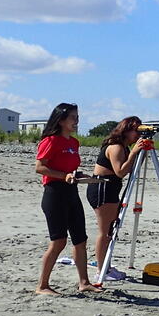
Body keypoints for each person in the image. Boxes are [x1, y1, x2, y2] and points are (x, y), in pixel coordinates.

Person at [33, 103, 100, 295]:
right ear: (61, 120)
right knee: (59, 241)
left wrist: (79, 175)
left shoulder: (74, 142)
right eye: (73, 117)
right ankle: (42, 285)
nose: (76, 120)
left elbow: (70, 169)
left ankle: (84, 282)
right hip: (54, 194)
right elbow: (40, 167)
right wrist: (64, 176)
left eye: (77, 117)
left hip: (71, 192)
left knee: (80, 239)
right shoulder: (51, 141)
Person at [86, 116, 149, 281]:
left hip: (111, 188)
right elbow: (120, 171)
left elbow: (132, 168)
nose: (137, 134)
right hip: (103, 188)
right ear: (125, 130)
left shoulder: (125, 148)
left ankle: (106, 265)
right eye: (135, 130)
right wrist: (135, 151)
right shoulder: (116, 147)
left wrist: (139, 153)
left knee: (110, 230)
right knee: (105, 232)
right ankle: (102, 270)